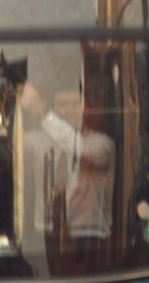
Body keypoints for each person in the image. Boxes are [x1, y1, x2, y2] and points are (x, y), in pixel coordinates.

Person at [21, 77, 115, 243]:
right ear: (54, 109)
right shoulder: (36, 142)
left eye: (76, 103)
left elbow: (75, 145)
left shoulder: (103, 144)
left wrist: (41, 114)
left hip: (90, 238)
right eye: (63, 104)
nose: (71, 110)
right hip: (45, 236)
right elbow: (12, 147)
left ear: (84, 108)